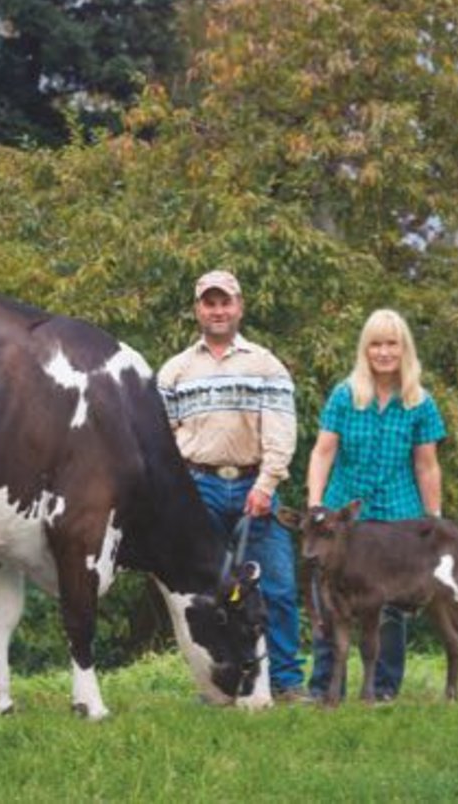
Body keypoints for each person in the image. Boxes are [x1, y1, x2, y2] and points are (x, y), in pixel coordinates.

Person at [157, 270, 306, 700]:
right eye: (210, 303)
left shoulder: (265, 364)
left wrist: (266, 484)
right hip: (198, 488)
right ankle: (218, 683)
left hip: (253, 487)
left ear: (239, 307)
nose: (218, 310)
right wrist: (178, 493)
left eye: (225, 302)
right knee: (207, 594)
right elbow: (162, 441)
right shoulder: (175, 371)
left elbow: (281, 432)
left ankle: (285, 681)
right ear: (198, 310)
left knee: (274, 587)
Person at [305, 308, 446, 701]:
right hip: (343, 519)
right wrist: (316, 505)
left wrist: (433, 520)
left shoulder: (421, 403)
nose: (383, 352)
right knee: (332, 601)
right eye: (375, 344)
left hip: (396, 516)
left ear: (404, 350)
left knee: (391, 608)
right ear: (364, 350)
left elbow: (426, 464)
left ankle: (383, 689)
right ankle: (324, 690)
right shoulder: (344, 395)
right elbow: (322, 452)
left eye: (391, 344)